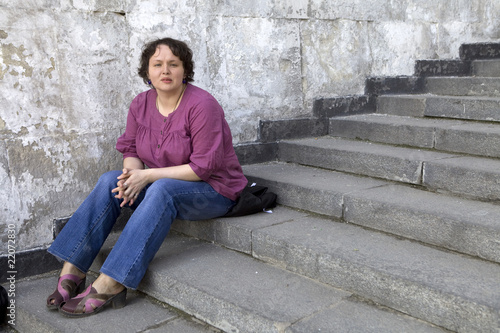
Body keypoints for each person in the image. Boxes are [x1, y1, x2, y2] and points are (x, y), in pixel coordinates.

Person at [46, 37, 248, 317]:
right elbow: (130, 148)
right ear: (148, 71)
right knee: (109, 180)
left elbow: (203, 167)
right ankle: (74, 268)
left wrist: (147, 175)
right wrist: (130, 176)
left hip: (212, 190)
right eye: (158, 64)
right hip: (159, 184)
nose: (165, 71)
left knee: (162, 188)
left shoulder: (203, 105)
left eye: (173, 64)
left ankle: (112, 282)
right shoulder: (140, 104)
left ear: (184, 70)